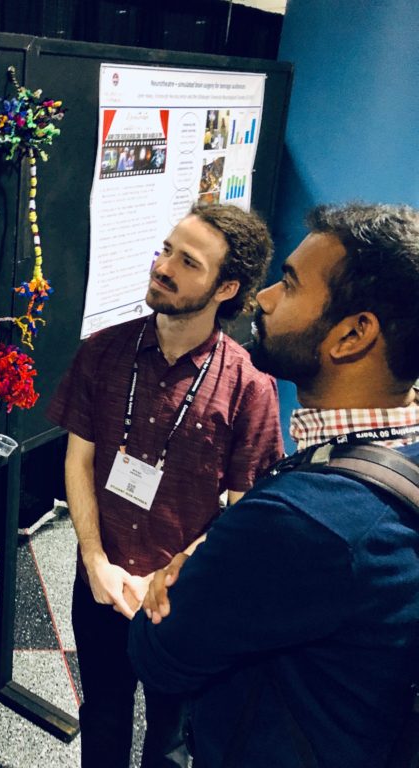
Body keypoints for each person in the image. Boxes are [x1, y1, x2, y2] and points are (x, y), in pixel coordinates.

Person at [130, 203, 419, 767]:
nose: (262, 299)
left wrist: (200, 563)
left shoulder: (308, 521)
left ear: (353, 334)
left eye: (288, 284)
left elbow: (158, 653)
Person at [46, 203, 284, 768]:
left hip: (182, 595)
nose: (164, 266)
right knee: (102, 712)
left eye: (188, 262)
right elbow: (79, 460)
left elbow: (243, 510)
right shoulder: (103, 351)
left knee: (171, 735)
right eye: (166, 249)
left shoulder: (250, 387)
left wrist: (170, 574)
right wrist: (94, 558)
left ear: (227, 288)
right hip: (100, 577)